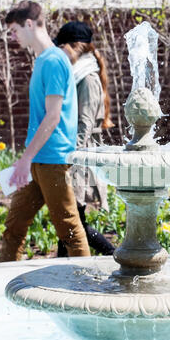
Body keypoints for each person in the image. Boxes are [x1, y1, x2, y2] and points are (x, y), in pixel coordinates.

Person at [0, 1, 90, 262]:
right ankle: (1, 289)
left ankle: (88, 288)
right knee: (14, 227)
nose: (13, 36)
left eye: (15, 30)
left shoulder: (52, 61)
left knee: (70, 230)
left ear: (29, 24)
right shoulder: (42, 61)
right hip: (38, 160)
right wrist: (26, 159)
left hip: (53, 160)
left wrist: (26, 159)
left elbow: (52, 116)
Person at [53, 21, 115, 257]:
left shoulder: (88, 79)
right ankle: (62, 269)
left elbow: (85, 125)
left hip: (81, 158)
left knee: (72, 222)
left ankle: (116, 256)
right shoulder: (79, 75)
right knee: (71, 222)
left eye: (62, 48)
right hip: (76, 154)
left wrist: (69, 159)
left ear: (73, 46)